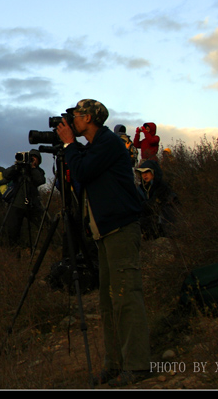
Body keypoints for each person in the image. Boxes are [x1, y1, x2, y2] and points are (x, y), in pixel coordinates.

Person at [56, 99, 151, 387]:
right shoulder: (94, 147)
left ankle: (137, 366)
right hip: (105, 232)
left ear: (90, 118)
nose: (73, 120)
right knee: (109, 301)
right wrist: (70, 150)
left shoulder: (108, 142)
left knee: (126, 296)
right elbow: (76, 178)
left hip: (121, 227)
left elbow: (83, 172)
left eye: (77, 116)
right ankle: (115, 364)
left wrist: (70, 144)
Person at [1, 150, 46, 253]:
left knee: (44, 224)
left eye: (35, 158)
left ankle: (45, 246)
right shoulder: (19, 169)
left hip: (33, 203)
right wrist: (17, 166)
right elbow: (6, 175)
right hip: (16, 203)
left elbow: (40, 180)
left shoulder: (38, 171)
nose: (32, 160)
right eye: (31, 158)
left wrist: (33, 168)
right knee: (12, 230)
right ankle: (15, 251)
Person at [135, 160, 180, 239]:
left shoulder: (162, 187)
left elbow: (154, 205)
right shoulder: (141, 189)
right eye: (142, 173)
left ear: (153, 172)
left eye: (147, 172)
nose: (144, 175)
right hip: (148, 222)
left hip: (163, 223)